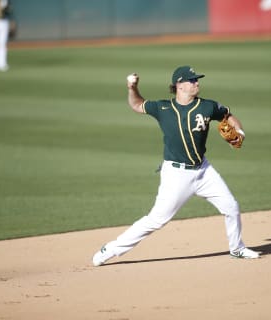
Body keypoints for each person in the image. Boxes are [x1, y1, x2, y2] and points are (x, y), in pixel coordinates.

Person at [92, 66, 260, 266]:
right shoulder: (162, 108)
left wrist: (239, 131)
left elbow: (228, 114)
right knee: (156, 220)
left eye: (197, 80)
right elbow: (137, 105)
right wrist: (132, 87)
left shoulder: (207, 106)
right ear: (179, 85)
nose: (197, 83)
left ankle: (237, 248)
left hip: (204, 170)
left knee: (231, 206)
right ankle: (109, 250)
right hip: (176, 175)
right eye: (192, 80)